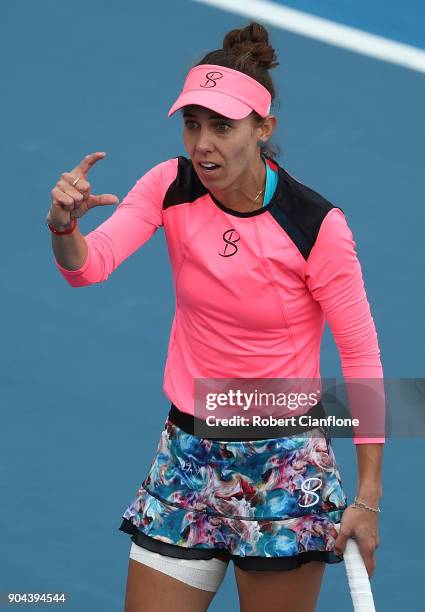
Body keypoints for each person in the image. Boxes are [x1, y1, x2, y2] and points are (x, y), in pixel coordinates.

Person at [46, 21, 384, 612]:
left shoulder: (316, 227)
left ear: (263, 129)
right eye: (193, 123)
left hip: (283, 468)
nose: (202, 144)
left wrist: (369, 495)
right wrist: (63, 227)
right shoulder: (169, 186)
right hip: (187, 457)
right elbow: (87, 267)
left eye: (222, 127)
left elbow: (361, 358)